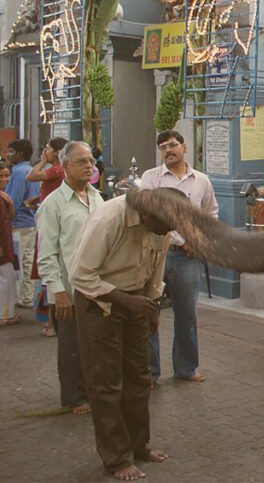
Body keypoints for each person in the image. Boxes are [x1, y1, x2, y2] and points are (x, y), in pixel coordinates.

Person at [69, 189, 183, 481]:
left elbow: (155, 272)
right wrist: (126, 300)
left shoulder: (163, 223)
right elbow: (80, 275)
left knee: (139, 377)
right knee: (106, 382)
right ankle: (117, 458)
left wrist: (151, 306)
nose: (167, 233)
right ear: (146, 214)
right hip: (99, 300)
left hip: (137, 300)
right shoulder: (109, 219)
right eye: (163, 227)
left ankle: (138, 444)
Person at [139, 130, 219, 384]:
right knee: (150, 313)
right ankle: (150, 372)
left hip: (188, 259)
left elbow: (211, 214)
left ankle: (186, 368)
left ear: (184, 148)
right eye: (163, 147)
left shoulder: (201, 181)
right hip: (156, 255)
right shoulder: (150, 179)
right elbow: (150, 216)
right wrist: (183, 242)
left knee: (187, 314)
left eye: (172, 145)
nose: (168, 150)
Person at [35, 141, 102, 415]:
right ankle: (73, 397)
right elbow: (47, 253)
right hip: (68, 289)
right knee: (71, 345)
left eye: (91, 162)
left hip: (96, 287)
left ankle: (92, 390)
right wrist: (58, 291)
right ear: (65, 167)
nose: (89, 166)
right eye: (82, 162)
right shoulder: (53, 205)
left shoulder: (97, 197)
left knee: (94, 344)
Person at [26, 137, 68, 337]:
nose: (45, 151)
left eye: (48, 149)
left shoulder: (57, 170)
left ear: (58, 152)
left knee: (49, 268)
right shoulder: (59, 172)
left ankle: (51, 323)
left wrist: (42, 161)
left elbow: (32, 177)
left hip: (51, 225)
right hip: (48, 218)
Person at [5, 139, 40, 309]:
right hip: (30, 221)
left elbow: (13, 200)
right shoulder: (30, 170)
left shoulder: (19, 173)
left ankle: (20, 297)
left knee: (17, 262)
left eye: (10, 151)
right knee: (27, 260)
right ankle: (27, 297)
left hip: (18, 223)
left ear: (20, 154)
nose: (7, 155)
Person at [0, 162, 20, 326]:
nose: (5, 179)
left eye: (7, 176)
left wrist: (10, 203)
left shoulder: (3, 197)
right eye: (1, 176)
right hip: (2, 247)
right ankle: (4, 315)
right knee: (5, 280)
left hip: (6, 244)